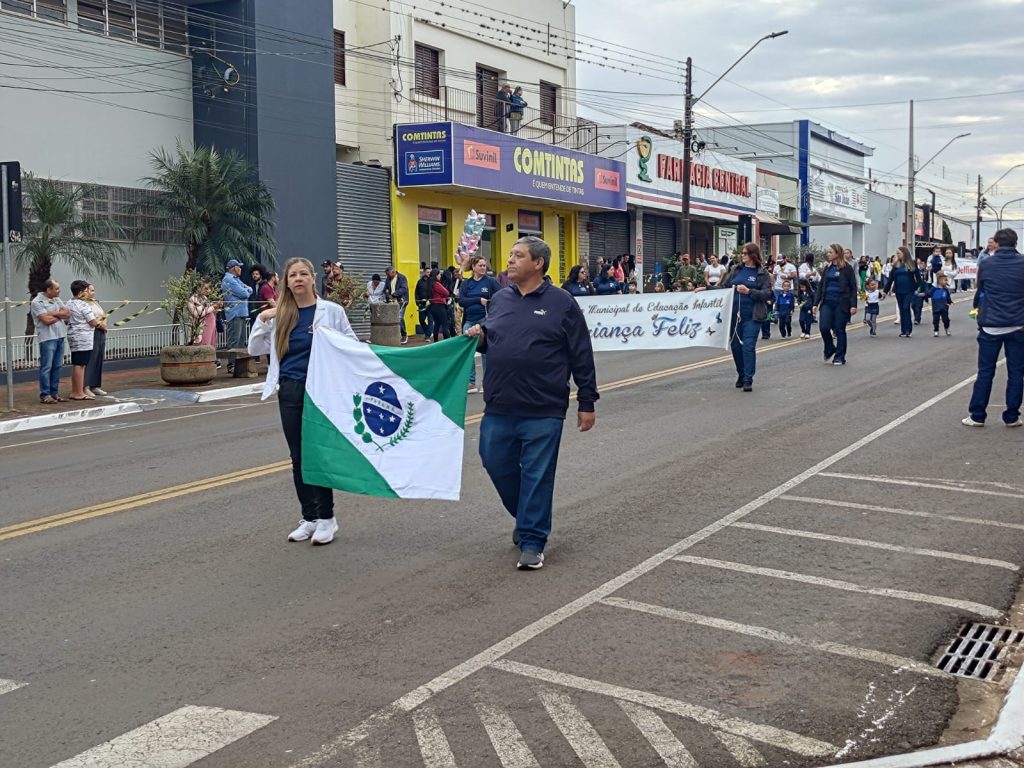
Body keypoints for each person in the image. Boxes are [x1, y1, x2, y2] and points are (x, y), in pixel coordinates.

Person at [464, 237, 598, 570]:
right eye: (510, 255)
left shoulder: (562, 303)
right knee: (494, 462)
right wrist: (479, 337)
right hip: (499, 405)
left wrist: (587, 400)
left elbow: (581, 353)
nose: (510, 260)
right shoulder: (500, 299)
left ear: (538, 263)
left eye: (518, 256)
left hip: (543, 408)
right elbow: (492, 341)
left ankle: (533, 541)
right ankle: (527, 516)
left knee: (538, 475)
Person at [249, 257, 360, 544]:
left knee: (316, 455)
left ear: (313, 278)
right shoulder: (281, 315)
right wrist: (263, 318)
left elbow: (352, 344)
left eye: (303, 274)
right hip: (290, 390)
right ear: (286, 282)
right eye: (292, 275)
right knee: (297, 456)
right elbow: (255, 347)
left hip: (320, 391)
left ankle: (327, 518)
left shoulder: (331, 312)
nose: (297, 279)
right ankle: (309, 518)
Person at [963, 228, 1024, 428]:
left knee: (985, 372)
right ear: (1015, 243)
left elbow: (981, 291)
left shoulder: (987, 264)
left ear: (996, 243)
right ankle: (1012, 416)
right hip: (1018, 325)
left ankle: (978, 415)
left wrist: (977, 309)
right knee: (1016, 373)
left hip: (991, 325)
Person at [719, 242, 773, 392]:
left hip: (752, 316)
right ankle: (741, 374)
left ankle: (748, 378)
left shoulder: (761, 273)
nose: (742, 255)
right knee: (736, 347)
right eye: (742, 253)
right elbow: (724, 287)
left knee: (748, 346)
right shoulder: (736, 270)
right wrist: (707, 288)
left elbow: (768, 293)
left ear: (752, 255)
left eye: (745, 253)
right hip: (735, 316)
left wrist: (749, 291)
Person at [459, 255, 502, 394]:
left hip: (485, 320)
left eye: (484, 266)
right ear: (473, 267)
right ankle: (471, 382)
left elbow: (501, 296)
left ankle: (486, 382)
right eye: (480, 266)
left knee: (485, 353)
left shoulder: (490, 282)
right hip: (469, 320)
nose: (483, 268)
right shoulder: (466, 283)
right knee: (468, 352)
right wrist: (478, 300)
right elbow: (461, 301)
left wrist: (490, 303)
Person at [813, 243, 858, 365]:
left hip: (841, 303)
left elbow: (853, 287)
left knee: (839, 329)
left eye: (830, 252)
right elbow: (821, 286)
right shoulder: (827, 268)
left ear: (837, 254)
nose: (828, 254)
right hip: (827, 302)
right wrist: (815, 303)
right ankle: (829, 348)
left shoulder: (847, 268)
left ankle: (840, 356)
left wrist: (853, 305)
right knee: (824, 328)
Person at [30, 278, 70, 404]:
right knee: (47, 367)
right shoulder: (37, 302)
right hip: (48, 338)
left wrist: (52, 313)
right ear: (48, 290)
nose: (59, 291)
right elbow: (46, 321)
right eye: (56, 288)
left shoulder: (56, 299)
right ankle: (45, 394)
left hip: (60, 336)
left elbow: (67, 313)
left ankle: (54, 393)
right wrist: (59, 315)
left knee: (57, 366)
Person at [66, 280, 99, 401]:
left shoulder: (68, 303)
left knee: (77, 364)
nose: (88, 293)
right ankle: (79, 392)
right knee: (81, 365)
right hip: (83, 338)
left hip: (73, 336)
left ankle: (75, 391)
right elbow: (92, 322)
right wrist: (99, 321)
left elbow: (66, 320)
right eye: (86, 291)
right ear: (80, 293)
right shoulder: (84, 305)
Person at [221, 259, 253, 370]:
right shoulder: (229, 280)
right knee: (234, 340)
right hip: (234, 314)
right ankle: (232, 365)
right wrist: (247, 289)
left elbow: (249, 289)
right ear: (234, 268)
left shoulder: (236, 279)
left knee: (240, 341)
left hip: (241, 313)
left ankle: (238, 365)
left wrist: (247, 289)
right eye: (239, 267)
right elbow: (244, 293)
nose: (240, 269)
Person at [884, 247, 921, 338]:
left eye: (899, 253)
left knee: (906, 308)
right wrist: (885, 291)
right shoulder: (896, 265)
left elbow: (918, 277)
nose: (897, 255)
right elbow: (890, 279)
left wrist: (920, 288)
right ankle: (903, 330)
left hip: (909, 290)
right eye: (897, 253)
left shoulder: (912, 263)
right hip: (898, 290)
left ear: (904, 253)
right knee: (901, 310)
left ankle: (908, 329)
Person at [82, 283, 109, 397]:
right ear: (84, 291)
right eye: (91, 290)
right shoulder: (83, 304)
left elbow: (103, 315)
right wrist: (100, 325)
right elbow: (91, 319)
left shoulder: (95, 303)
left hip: (101, 332)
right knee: (91, 359)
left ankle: (95, 385)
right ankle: (86, 386)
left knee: (98, 358)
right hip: (92, 332)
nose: (93, 293)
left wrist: (104, 324)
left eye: (93, 290)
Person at [188, 279, 222, 367]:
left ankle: (211, 362)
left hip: (211, 327)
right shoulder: (193, 299)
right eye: (206, 288)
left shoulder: (205, 298)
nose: (208, 290)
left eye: (209, 288)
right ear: (199, 288)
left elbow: (209, 311)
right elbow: (198, 313)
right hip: (202, 327)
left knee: (211, 344)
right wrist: (213, 307)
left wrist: (216, 309)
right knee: (204, 346)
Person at [384, 265, 410, 344]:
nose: (387, 276)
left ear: (393, 272)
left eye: (388, 274)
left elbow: (404, 289)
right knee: (392, 318)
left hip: (401, 301)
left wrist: (394, 294)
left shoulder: (402, 278)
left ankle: (404, 335)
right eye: (387, 275)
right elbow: (386, 289)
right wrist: (387, 295)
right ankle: (394, 335)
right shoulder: (388, 279)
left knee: (399, 317)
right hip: (391, 301)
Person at [426, 267, 450, 342]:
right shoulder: (436, 284)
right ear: (436, 275)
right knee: (445, 325)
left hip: (433, 306)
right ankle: (447, 342)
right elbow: (446, 292)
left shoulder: (429, 284)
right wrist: (442, 295)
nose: (440, 276)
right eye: (439, 274)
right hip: (440, 306)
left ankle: (435, 341)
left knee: (436, 324)